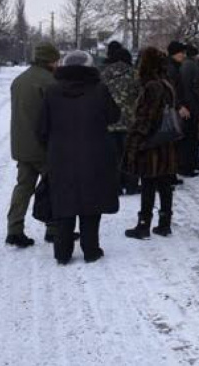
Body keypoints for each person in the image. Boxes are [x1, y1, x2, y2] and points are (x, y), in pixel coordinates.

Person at [38, 51, 120, 264]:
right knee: (91, 202)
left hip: (60, 156)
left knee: (63, 202)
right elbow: (114, 116)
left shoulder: (52, 91)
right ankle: (91, 250)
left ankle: (62, 252)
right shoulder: (100, 90)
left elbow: (41, 128)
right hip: (94, 155)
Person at [6, 42, 61, 248]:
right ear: (50, 60)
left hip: (21, 145)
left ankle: (14, 229)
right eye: (56, 60)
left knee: (23, 187)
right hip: (43, 147)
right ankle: (53, 229)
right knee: (53, 187)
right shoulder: (50, 82)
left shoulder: (19, 80)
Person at [123, 47, 179, 239]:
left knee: (148, 183)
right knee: (164, 183)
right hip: (166, 141)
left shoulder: (150, 87)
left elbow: (145, 117)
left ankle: (143, 225)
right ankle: (165, 223)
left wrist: (136, 139)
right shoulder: (166, 83)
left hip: (151, 143)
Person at [101, 46, 141, 195]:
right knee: (131, 155)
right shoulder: (134, 75)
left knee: (112, 157)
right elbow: (141, 96)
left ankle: (114, 186)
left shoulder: (104, 74)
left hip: (109, 122)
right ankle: (131, 185)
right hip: (130, 122)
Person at [178, 45, 199, 175]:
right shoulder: (195, 66)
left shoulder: (183, 65)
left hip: (186, 105)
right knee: (191, 137)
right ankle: (190, 165)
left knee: (188, 137)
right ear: (195, 54)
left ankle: (191, 164)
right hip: (193, 106)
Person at [166, 40, 194, 178]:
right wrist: (180, 106)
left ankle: (175, 171)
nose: (183, 55)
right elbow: (172, 91)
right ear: (174, 54)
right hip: (175, 109)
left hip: (176, 107)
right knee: (177, 138)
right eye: (181, 53)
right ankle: (176, 171)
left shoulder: (174, 66)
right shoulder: (171, 68)